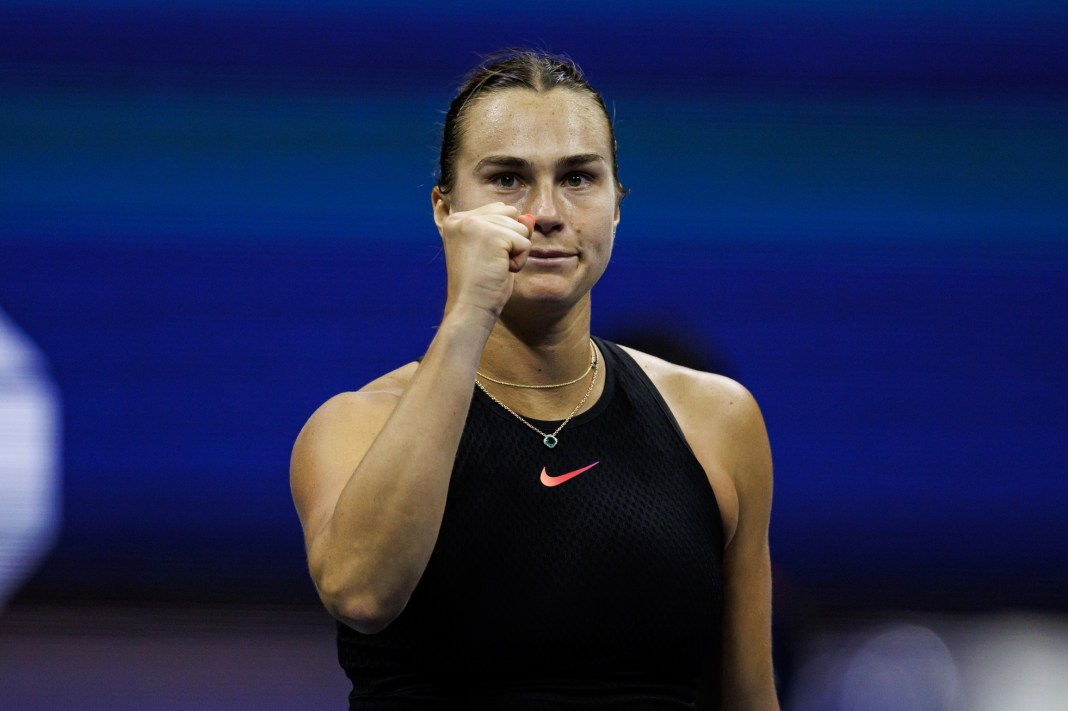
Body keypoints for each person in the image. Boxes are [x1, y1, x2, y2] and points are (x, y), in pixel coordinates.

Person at [290, 48, 779, 710]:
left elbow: (749, 697)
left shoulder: (718, 422)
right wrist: (467, 313)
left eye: (579, 178)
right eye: (508, 179)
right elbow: (363, 592)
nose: (546, 211)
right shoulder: (353, 426)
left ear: (616, 206)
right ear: (444, 209)